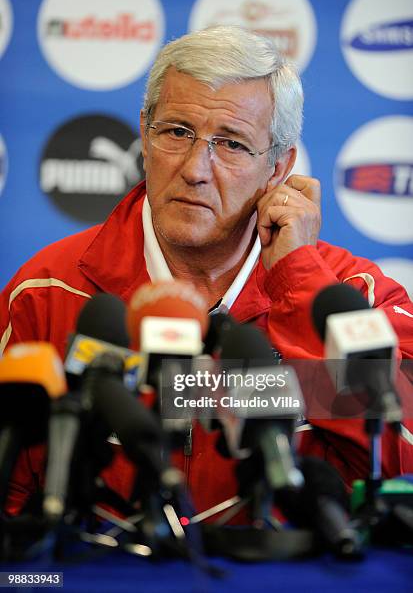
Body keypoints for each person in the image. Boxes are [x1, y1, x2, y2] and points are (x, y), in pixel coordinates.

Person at [1, 26, 412, 519]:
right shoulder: (47, 289)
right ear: (144, 135)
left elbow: (397, 457)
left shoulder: (353, 294)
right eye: (177, 132)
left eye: (232, 144)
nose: (196, 167)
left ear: (279, 169)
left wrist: (298, 281)